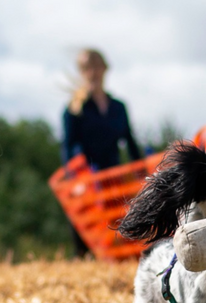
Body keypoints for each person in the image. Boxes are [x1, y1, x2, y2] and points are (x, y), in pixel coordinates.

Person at [61, 48, 141, 257]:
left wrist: (144, 174)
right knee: (89, 226)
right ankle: (83, 257)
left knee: (119, 226)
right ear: (81, 72)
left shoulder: (118, 107)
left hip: (114, 176)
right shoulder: (74, 109)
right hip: (87, 179)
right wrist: (75, 181)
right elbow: (68, 148)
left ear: (105, 68)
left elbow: (130, 142)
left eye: (96, 66)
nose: (93, 72)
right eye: (87, 67)